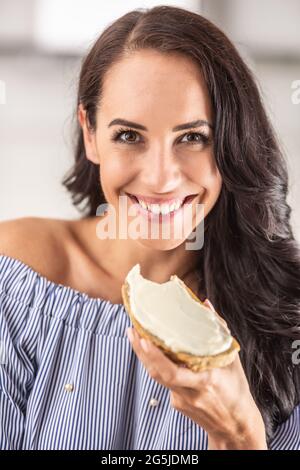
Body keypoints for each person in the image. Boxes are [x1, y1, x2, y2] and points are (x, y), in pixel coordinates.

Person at [0, 5, 299, 450]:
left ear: (230, 142)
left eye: (192, 137)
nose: (161, 179)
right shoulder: (13, 279)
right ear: (90, 133)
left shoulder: (285, 315)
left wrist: (239, 435)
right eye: (129, 136)